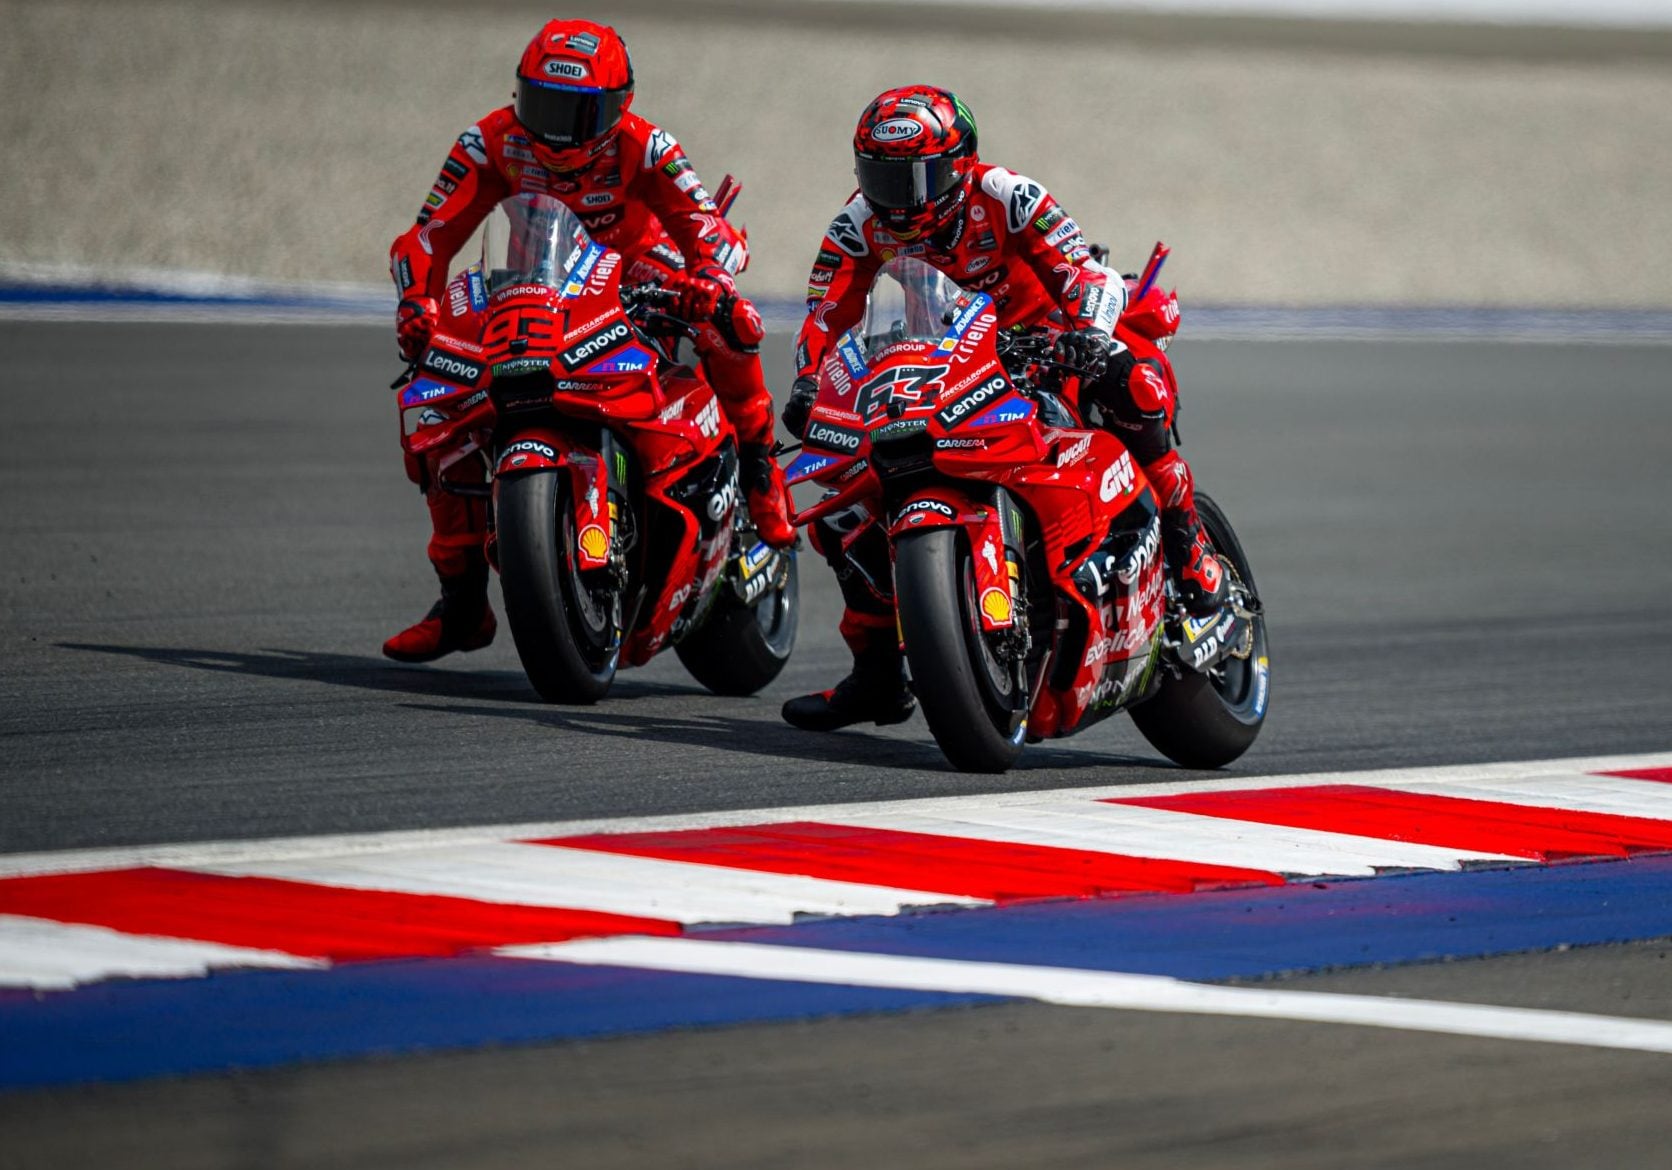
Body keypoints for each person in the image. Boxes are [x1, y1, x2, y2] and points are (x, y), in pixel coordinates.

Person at [780, 84, 1226, 732]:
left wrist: (1089, 340)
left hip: (1044, 349)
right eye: (882, 177)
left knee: (1133, 387)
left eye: (917, 178)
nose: (898, 199)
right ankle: (878, 673)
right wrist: (807, 386)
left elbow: (1085, 271)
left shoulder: (1008, 196)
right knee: (843, 498)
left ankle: (1192, 556)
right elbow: (825, 317)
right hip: (934, 373)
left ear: (959, 165)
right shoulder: (856, 226)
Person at [382, 18, 794, 663]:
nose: (555, 129)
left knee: (728, 325)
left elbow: (706, 229)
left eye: (577, 112)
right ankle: (461, 603)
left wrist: (708, 280)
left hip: (637, 275)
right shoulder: (488, 141)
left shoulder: (647, 146)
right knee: (435, 406)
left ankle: (762, 470)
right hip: (532, 282)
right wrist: (417, 302)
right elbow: (428, 236)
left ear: (617, 106)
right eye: (541, 104)